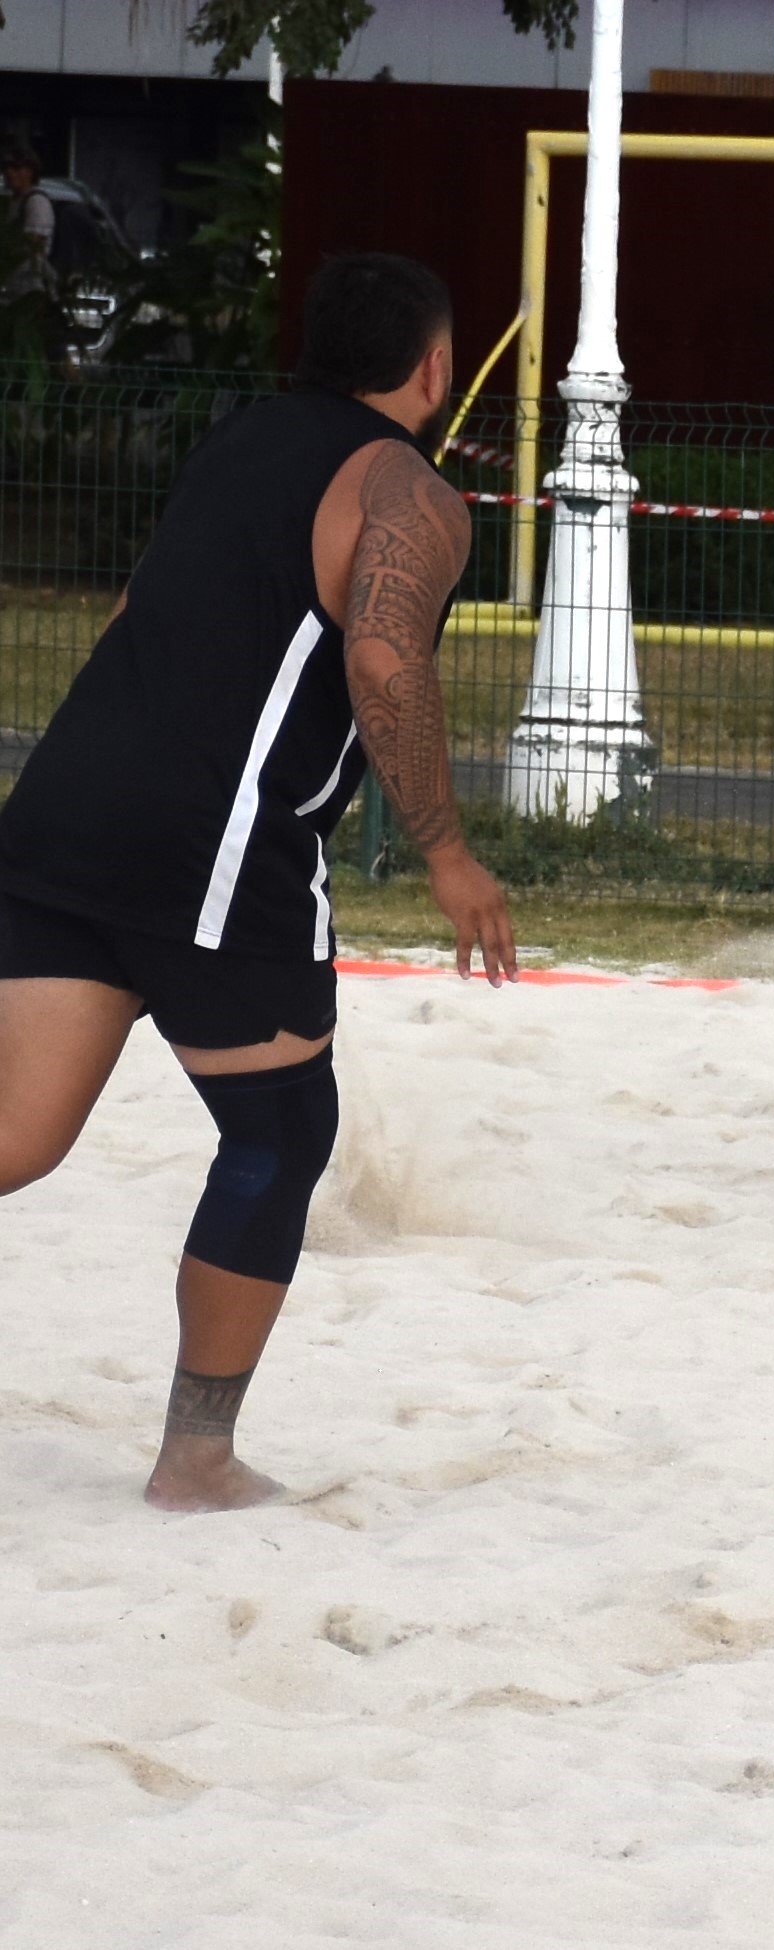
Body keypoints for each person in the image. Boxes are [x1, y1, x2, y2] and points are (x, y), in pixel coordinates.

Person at [0, 252, 518, 1511]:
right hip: (216, 849)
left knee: (13, 1142)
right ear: (436, 366)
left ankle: (199, 1456)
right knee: (278, 1131)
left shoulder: (241, 441)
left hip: (63, 811)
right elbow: (386, 666)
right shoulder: (412, 489)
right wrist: (448, 851)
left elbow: (136, 611)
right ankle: (196, 1461)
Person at [4, 143, 56, 303]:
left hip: (31, 288)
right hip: (13, 287)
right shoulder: (14, 202)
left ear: (29, 171)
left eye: (16, 168)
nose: (9, 173)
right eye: (6, 168)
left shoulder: (36, 202)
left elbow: (34, 244)